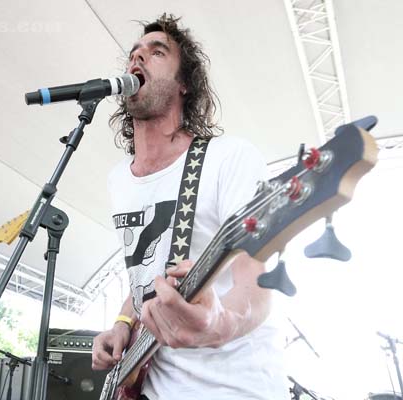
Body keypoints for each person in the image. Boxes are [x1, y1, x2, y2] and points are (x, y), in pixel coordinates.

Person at [91, 14, 289, 399]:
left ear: (184, 84)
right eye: (134, 53)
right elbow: (144, 278)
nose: (138, 59)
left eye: (156, 51)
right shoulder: (119, 179)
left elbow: (257, 282)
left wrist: (220, 323)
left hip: (235, 389)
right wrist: (120, 324)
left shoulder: (228, 158)